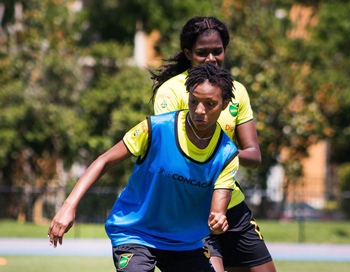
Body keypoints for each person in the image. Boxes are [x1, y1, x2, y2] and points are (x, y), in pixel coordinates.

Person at [48, 63, 240, 272]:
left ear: (225, 104)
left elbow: (217, 213)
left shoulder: (227, 155)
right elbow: (104, 161)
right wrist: (68, 206)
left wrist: (217, 223)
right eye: (194, 101)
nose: (199, 110)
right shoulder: (155, 128)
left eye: (210, 104)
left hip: (185, 243)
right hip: (135, 233)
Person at [151, 17, 276, 272]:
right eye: (201, 52)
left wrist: (224, 155)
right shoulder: (172, 92)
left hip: (231, 206)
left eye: (217, 51)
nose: (211, 58)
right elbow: (169, 154)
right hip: (191, 209)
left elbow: (253, 156)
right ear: (188, 53)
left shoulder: (236, 91)